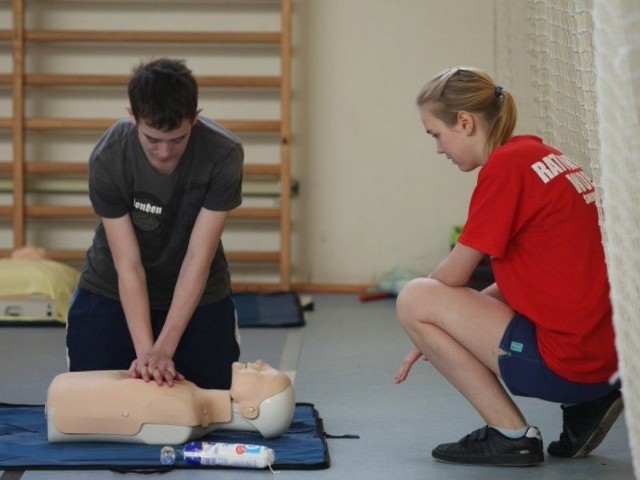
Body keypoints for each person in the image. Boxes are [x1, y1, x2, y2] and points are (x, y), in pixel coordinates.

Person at [395, 67, 622, 466]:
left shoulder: (505, 168)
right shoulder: (540, 155)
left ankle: (510, 433)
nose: (439, 149)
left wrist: (428, 322)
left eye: (436, 134)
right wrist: (454, 322)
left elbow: (451, 276)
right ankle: (589, 402)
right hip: (609, 359)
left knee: (415, 297)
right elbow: (535, 272)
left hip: (570, 363)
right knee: (435, 302)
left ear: (464, 122)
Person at [66, 58, 243, 390]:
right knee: (92, 408)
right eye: (152, 139)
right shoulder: (109, 157)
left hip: (198, 294)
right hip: (112, 290)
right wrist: (148, 354)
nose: (164, 152)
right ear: (132, 117)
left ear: (195, 118)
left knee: (215, 409)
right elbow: (128, 264)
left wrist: (163, 349)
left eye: (177, 140)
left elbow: (198, 258)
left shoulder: (224, 154)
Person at [46, 360, 295, 444]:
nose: (260, 363)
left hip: (64, 397)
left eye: (263, 374)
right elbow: (128, 267)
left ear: (250, 410)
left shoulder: (187, 413)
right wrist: (150, 356)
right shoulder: (190, 404)